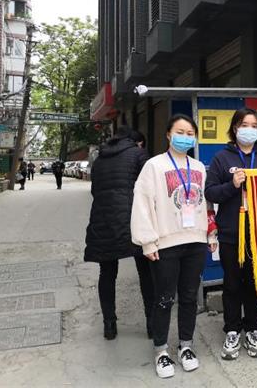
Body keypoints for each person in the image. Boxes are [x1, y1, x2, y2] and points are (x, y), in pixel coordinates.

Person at [131, 114, 217, 379]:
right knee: (164, 298)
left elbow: (206, 203)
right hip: (166, 243)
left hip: (195, 241)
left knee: (190, 297)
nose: (185, 137)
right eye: (180, 132)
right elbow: (142, 203)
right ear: (168, 134)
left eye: (190, 133)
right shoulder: (154, 166)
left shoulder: (199, 167)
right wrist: (147, 240)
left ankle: (186, 346)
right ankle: (161, 350)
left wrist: (211, 234)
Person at [205, 108, 257, 360]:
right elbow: (210, 193)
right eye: (244, 125)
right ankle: (233, 329)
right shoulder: (221, 158)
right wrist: (232, 185)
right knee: (232, 284)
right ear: (235, 128)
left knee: (255, 283)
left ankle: (253, 328)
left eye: (254, 126)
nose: (249, 130)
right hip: (230, 233)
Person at [84, 126, 154, 341]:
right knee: (146, 272)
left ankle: (109, 325)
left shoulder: (99, 159)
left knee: (107, 273)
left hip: (103, 219)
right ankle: (152, 324)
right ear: (137, 142)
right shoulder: (139, 154)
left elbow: (95, 190)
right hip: (133, 219)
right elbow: (150, 189)